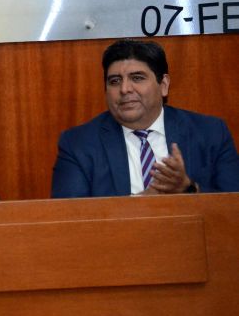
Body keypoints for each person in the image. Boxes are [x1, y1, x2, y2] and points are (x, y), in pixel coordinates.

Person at [52, 38, 239, 198]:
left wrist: (188, 189)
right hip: (116, 240)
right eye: (115, 81)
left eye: (137, 78)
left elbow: (232, 209)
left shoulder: (210, 133)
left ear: (163, 85)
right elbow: (69, 219)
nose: (125, 89)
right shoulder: (78, 144)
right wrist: (142, 205)